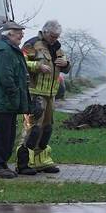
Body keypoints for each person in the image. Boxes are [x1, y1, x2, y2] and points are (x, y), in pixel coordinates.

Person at [17, 20, 70, 175]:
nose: (55, 39)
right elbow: (21, 62)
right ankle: (24, 163)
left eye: (57, 36)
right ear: (45, 32)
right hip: (35, 92)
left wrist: (66, 64)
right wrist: (37, 66)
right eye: (53, 36)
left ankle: (42, 161)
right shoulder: (32, 44)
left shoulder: (58, 47)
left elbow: (66, 68)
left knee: (47, 128)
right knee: (33, 127)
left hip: (51, 94)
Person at [0, 22, 32, 179]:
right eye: (19, 32)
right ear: (9, 34)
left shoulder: (10, 49)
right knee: (3, 134)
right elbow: (5, 77)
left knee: (9, 134)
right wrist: (14, 94)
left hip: (9, 101)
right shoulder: (4, 51)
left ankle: (2, 164)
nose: (22, 35)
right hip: (5, 101)